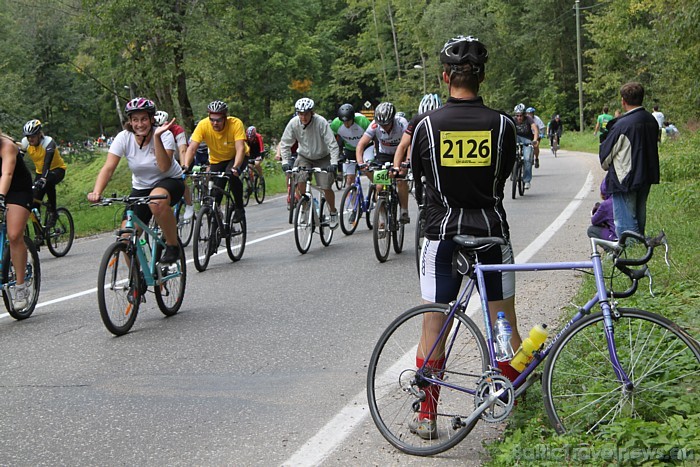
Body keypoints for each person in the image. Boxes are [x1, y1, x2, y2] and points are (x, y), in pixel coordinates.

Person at [408, 35, 519, 439]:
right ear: (482, 78)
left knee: (433, 327)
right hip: (490, 232)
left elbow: (421, 180)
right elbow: (504, 176)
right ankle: (515, 409)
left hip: (441, 236)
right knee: (504, 323)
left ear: (444, 77)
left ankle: (426, 415)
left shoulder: (425, 126)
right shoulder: (503, 124)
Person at [87, 98, 184, 264]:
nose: (140, 124)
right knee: (125, 237)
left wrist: (157, 138)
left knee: (156, 201)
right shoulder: (123, 138)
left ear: (152, 119)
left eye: (144, 119)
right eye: (135, 120)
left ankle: (172, 245)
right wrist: (97, 191)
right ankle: (138, 281)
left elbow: (164, 167)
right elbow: (109, 168)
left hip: (169, 180)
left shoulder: (164, 134)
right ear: (130, 122)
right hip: (141, 187)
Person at [600, 82, 660, 238]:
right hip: (647, 174)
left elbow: (605, 157)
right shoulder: (651, 120)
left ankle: (631, 255)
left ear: (623, 101)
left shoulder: (622, 125)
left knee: (625, 224)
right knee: (640, 218)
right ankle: (642, 252)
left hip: (626, 177)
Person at [278, 98, 340, 228]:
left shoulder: (321, 122)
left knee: (325, 186)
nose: (303, 117)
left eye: (306, 113)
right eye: (300, 114)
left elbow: (332, 144)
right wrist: (285, 161)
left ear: (312, 112)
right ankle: (306, 207)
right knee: (299, 180)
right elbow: (285, 144)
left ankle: (333, 212)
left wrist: (333, 163)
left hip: (323, 156)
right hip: (304, 156)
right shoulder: (294, 123)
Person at [182, 100, 247, 223]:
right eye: (212, 119)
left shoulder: (235, 123)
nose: (215, 123)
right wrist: (186, 166)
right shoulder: (203, 125)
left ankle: (239, 208)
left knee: (232, 176)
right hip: (217, 160)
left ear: (225, 118)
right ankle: (215, 225)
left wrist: (236, 167)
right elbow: (192, 148)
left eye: (218, 120)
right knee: (215, 194)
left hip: (236, 157)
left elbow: (240, 148)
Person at [355, 102, 410, 223]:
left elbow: (409, 143)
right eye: (381, 125)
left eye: (387, 124)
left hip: (401, 153)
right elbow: (361, 144)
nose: (384, 127)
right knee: (379, 186)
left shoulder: (402, 123)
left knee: (400, 180)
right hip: (384, 155)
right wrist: (360, 162)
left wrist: (407, 161)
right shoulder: (374, 125)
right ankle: (382, 218)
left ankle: (404, 210)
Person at [0, 131, 34, 309]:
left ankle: (21, 287)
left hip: (18, 190)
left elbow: (7, 174)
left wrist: (0, 198)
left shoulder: (8, 147)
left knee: (14, 235)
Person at [19, 119, 67, 227]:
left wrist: (43, 179)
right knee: (34, 203)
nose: (30, 139)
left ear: (39, 134)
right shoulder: (25, 143)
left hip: (57, 170)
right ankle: (39, 235)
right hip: (40, 172)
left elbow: (47, 163)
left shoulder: (48, 142)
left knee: (48, 181)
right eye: (28, 136)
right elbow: (18, 161)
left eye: (32, 136)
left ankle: (54, 213)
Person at [154, 110, 194, 220]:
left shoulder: (177, 130)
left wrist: (184, 166)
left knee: (181, 178)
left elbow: (183, 150)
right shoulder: (153, 131)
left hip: (180, 157)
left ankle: (189, 204)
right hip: (167, 156)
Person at [329, 103, 371, 186]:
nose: (346, 124)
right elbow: (335, 141)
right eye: (343, 121)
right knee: (350, 179)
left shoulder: (362, 121)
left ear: (353, 118)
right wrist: (339, 154)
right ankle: (350, 198)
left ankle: (377, 189)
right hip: (350, 149)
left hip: (365, 148)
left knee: (367, 171)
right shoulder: (335, 124)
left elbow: (373, 135)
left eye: (348, 121)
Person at [513, 103, 539, 190]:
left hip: (527, 139)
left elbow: (535, 129)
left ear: (524, 114)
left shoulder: (529, 119)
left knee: (527, 159)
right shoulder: (513, 120)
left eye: (521, 115)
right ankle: (512, 172)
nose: (519, 117)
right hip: (516, 139)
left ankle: (527, 180)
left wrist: (535, 140)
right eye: (517, 115)